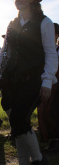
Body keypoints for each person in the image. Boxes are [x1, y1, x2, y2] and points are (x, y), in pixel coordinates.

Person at [0, 0, 58, 165]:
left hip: (33, 79)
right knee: (16, 124)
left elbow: (51, 53)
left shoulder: (44, 22)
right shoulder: (12, 24)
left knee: (20, 119)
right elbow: (4, 52)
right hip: (11, 80)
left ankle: (38, 159)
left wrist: (47, 81)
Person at [37, 23, 59, 151]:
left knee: (53, 111)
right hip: (52, 84)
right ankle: (50, 137)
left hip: (56, 85)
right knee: (47, 110)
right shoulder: (52, 50)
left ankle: (55, 140)